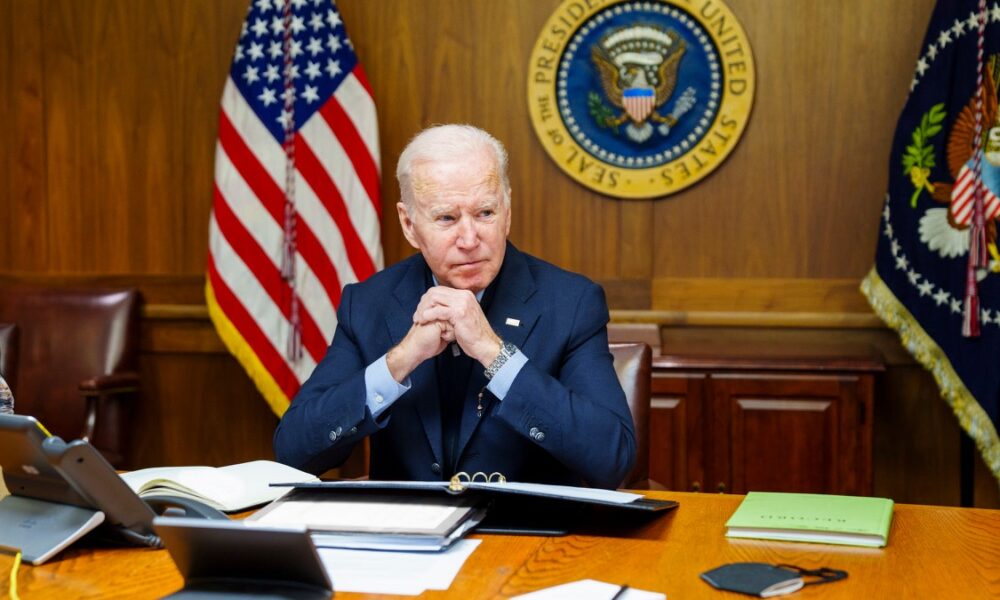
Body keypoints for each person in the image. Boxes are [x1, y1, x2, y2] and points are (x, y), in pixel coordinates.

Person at [273, 124, 635, 489]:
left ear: (507, 211)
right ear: (409, 224)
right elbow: (293, 452)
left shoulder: (570, 303)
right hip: (409, 538)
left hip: (528, 536)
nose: (469, 239)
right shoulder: (368, 303)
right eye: (447, 218)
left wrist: (495, 354)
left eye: (485, 214)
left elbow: (612, 457)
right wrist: (400, 360)